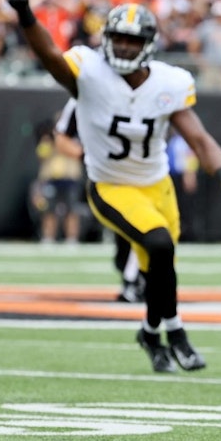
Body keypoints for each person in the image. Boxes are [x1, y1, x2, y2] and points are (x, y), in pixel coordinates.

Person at [6, 0, 221, 373]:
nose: (123, 45)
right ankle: (177, 332)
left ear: (149, 45)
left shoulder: (169, 82)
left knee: (161, 264)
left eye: (132, 40)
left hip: (156, 185)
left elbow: (198, 137)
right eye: (118, 37)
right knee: (158, 246)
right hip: (111, 185)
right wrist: (27, 14)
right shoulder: (88, 71)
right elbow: (50, 55)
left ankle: (151, 333)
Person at [53, 98, 146, 303]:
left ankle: (135, 278)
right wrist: (88, 155)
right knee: (128, 230)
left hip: (143, 173)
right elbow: (61, 139)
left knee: (143, 227)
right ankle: (131, 275)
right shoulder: (85, 92)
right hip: (104, 178)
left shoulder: (145, 88)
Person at [32, 106, 83, 244]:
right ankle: (48, 237)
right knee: (49, 211)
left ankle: (72, 238)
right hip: (51, 178)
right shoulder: (49, 139)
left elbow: (79, 154)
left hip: (70, 178)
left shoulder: (77, 138)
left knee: (72, 210)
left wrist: (67, 144)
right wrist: (49, 141)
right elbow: (41, 155)